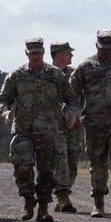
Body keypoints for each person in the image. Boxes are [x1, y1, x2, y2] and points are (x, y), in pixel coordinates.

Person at [0, 37, 79, 222]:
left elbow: (71, 98)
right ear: (26, 53)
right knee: (22, 166)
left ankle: (43, 207)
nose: (35, 56)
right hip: (23, 130)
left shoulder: (55, 75)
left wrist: (72, 112)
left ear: (43, 52)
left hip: (48, 130)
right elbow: (3, 99)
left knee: (46, 170)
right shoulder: (16, 75)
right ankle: (28, 201)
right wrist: (5, 113)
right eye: (32, 52)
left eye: (38, 52)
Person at [70, 30, 111, 219]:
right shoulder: (85, 67)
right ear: (97, 46)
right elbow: (71, 94)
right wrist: (72, 113)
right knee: (97, 164)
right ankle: (98, 203)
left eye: (110, 48)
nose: (106, 51)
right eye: (103, 48)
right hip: (94, 123)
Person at [50, 41, 81, 212]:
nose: (72, 55)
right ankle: (63, 196)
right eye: (69, 52)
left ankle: (63, 194)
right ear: (59, 54)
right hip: (54, 124)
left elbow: (79, 97)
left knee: (72, 160)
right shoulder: (46, 73)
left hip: (74, 124)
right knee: (60, 159)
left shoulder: (76, 74)